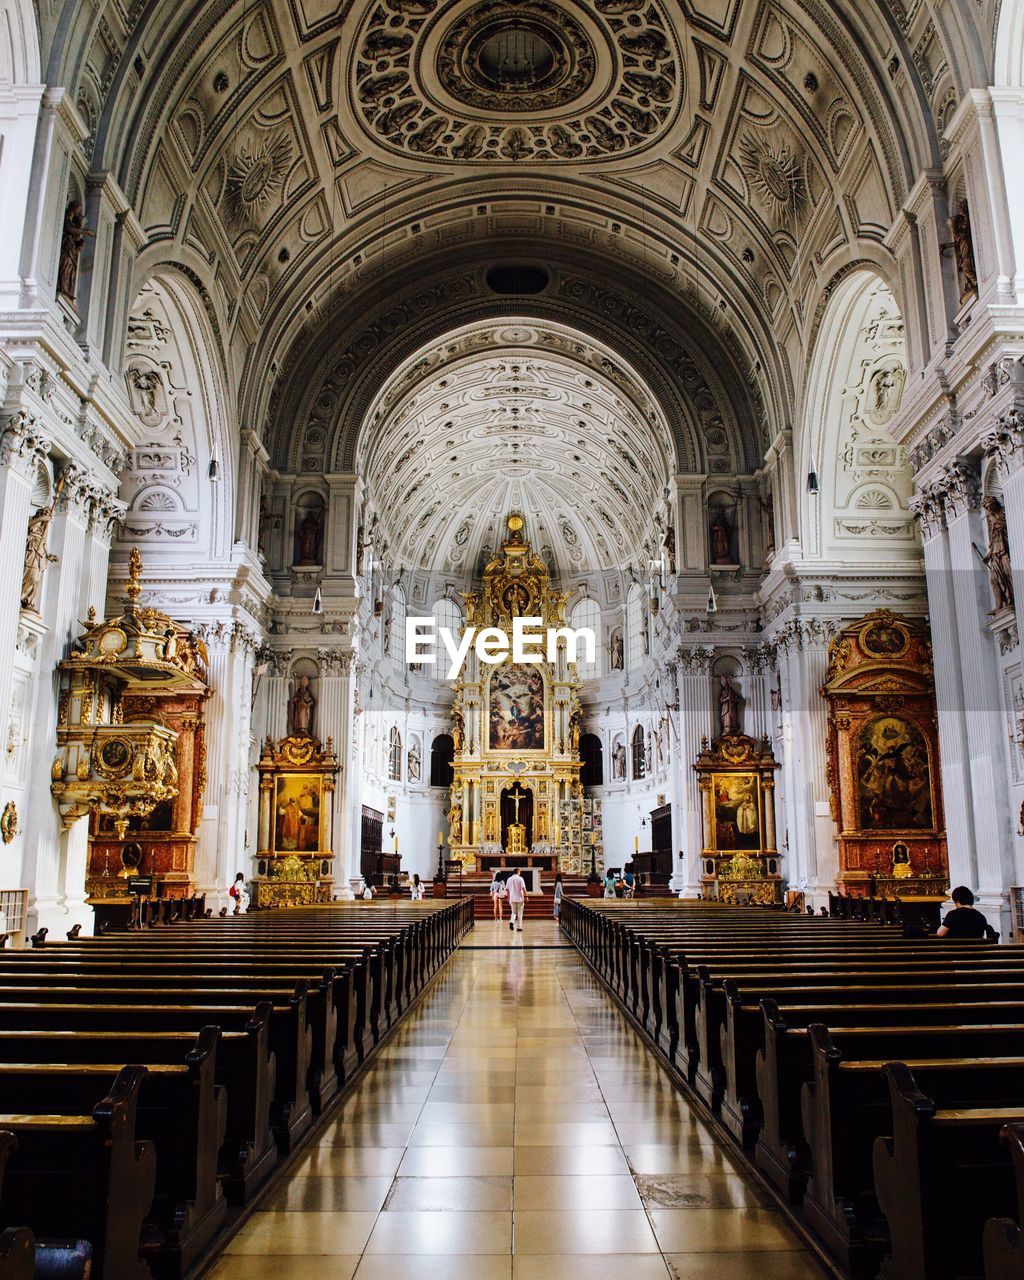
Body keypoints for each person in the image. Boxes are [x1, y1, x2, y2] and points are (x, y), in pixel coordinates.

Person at [506, 867, 527, 932]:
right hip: (520, 898)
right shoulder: (520, 878)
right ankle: (519, 927)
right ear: (518, 872)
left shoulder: (509, 879)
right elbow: (523, 888)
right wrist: (526, 896)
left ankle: (512, 921)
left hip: (512, 898)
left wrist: (508, 897)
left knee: (513, 912)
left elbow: (507, 889)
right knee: (520, 913)